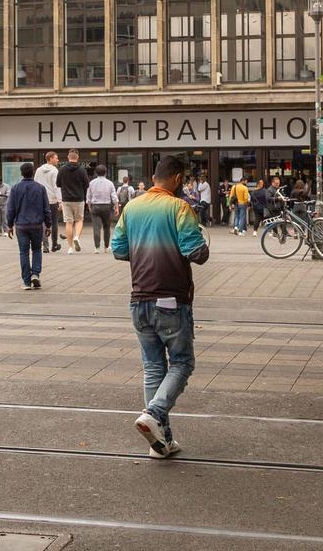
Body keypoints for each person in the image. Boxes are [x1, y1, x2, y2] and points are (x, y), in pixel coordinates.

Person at [114, 154, 209, 459]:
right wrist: (203, 243)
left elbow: (118, 250)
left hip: (138, 300)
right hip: (171, 301)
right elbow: (196, 252)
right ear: (178, 178)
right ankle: (153, 413)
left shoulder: (132, 207)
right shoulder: (179, 207)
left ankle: (162, 442)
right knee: (182, 363)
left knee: (154, 368)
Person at [7, 162, 52, 290]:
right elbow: (46, 209)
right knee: (37, 250)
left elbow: (10, 209)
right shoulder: (40, 188)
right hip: (37, 225)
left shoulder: (15, 188)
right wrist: (48, 225)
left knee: (23, 252)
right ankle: (36, 274)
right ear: (33, 172)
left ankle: (26, 282)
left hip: (21, 225)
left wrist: (9, 225)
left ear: (21, 173)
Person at [58, 149, 90, 253]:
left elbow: (58, 183)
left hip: (66, 199)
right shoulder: (81, 170)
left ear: (68, 157)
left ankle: (70, 247)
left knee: (68, 222)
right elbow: (87, 184)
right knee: (79, 220)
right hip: (79, 198)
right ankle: (76, 237)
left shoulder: (62, 169)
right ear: (77, 158)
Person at [86, 163, 118, 251]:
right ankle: (107, 246)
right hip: (106, 206)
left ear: (96, 173)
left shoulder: (91, 183)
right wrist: (116, 207)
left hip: (95, 206)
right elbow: (114, 196)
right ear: (105, 173)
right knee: (107, 227)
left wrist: (89, 206)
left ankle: (97, 248)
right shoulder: (110, 183)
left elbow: (88, 196)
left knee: (96, 227)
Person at [41, 152, 62, 251]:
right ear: (50, 159)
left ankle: (45, 246)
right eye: (56, 158)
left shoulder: (39, 170)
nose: (58, 160)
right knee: (54, 223)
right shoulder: (54, 171)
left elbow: (36, 185)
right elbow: (56, 187)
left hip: (41, 201)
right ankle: (54, 245)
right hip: (53, 201)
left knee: (43, 223)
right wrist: (60, 201)